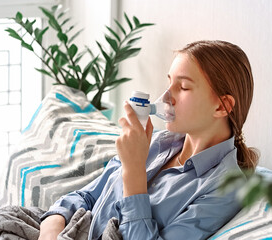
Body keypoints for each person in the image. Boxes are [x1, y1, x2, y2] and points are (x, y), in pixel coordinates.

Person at [38, 40, 259, 240]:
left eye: (183, 87)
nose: (165, 97)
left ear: (222, 106)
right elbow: (85, 197)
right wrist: (52, 227)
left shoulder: (226, 189)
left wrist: (134, 171)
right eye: (169, 82)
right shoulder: (154, 142)